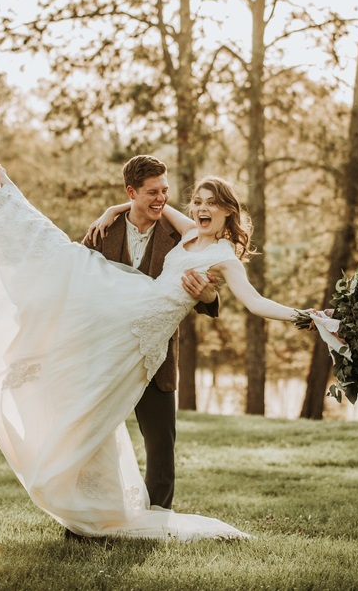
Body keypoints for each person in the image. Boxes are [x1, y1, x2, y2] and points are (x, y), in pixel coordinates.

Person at [0, 166, 338, 540]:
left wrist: (307, 318)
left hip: (143, 335)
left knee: (110, 415)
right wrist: (114, 208)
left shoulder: (224, 257)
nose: (201, 209)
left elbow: (255, 303)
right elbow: (155, 204)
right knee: (70, 265)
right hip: (128, 308)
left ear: (228, 212)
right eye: (197, 201)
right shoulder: (188, 232)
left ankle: (118, 509)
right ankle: (10, 212)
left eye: (211, 204)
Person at [82, 155, 220, 513]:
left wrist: (210, 297)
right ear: (131, 192)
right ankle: (90, 516)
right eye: (152, 192)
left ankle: (158, 518)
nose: (161, 199)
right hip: (107, 357)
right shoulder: (102, 232)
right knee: (93, 439)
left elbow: (203, 292)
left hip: (156, 358)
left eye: (165, 190)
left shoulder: (182, 236)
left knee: (161, 445)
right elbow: (78, 287)